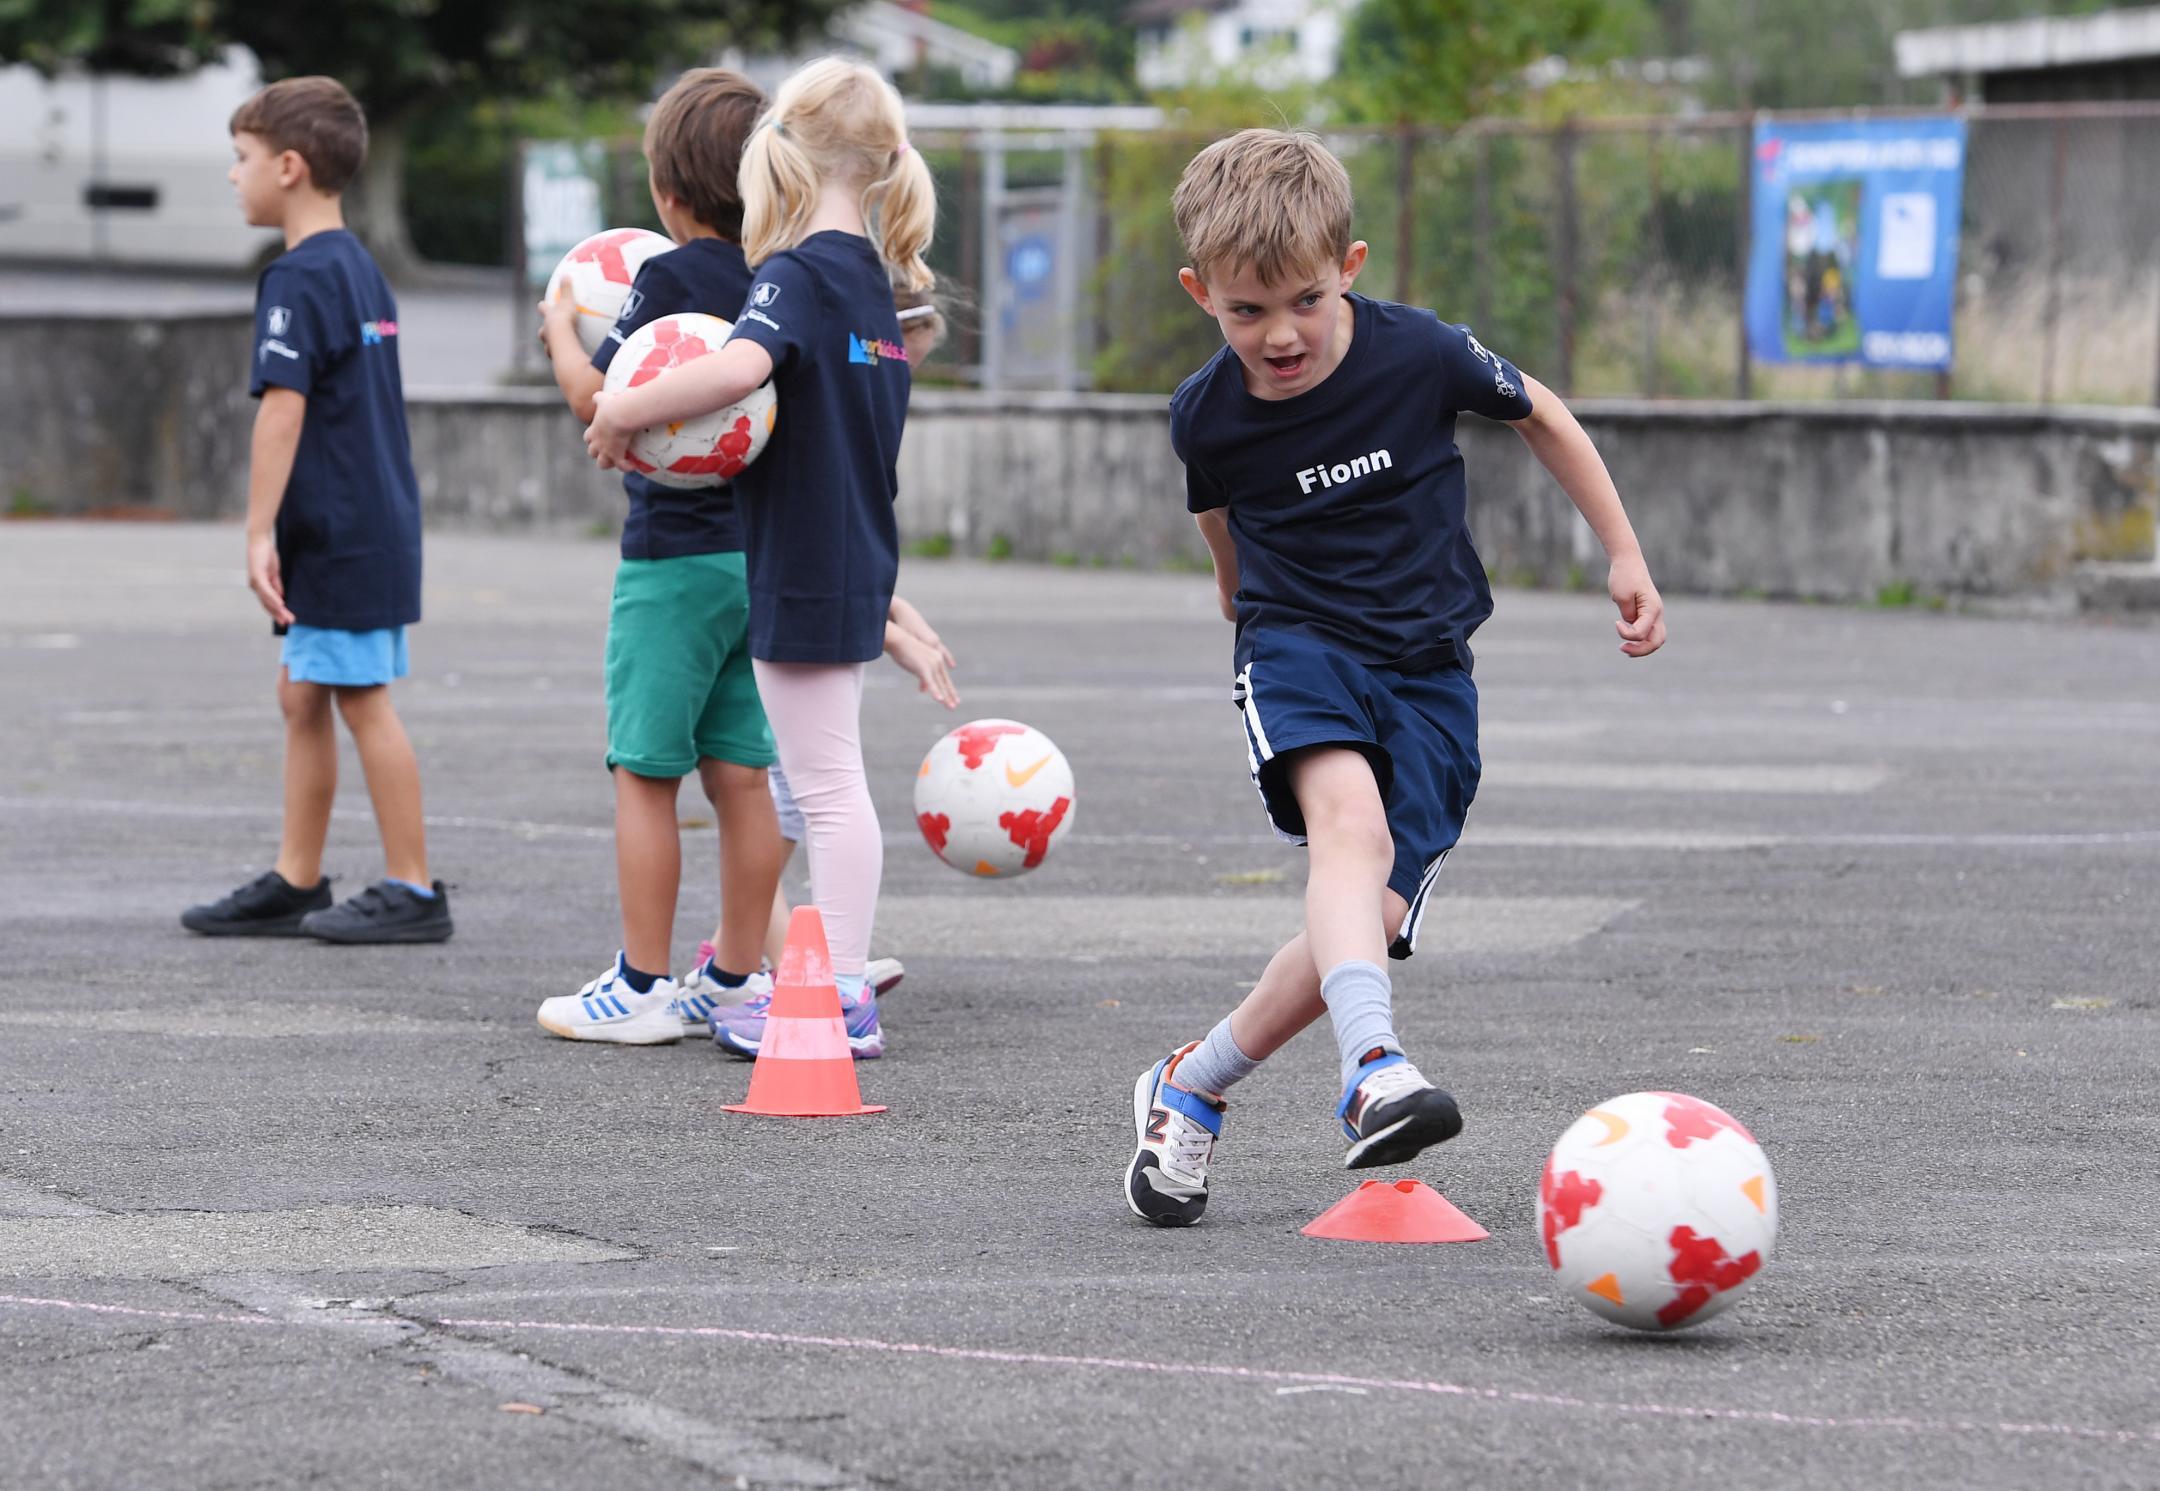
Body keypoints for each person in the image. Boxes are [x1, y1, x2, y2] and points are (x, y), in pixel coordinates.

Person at [1124, 129, 1667, 1227]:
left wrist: (1622, 550)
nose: (1279, 335)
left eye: (1306, 302)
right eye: (1245, 312)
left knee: (1361, 913)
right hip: (1297, 648)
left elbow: (1545, 416)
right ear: (1200, 293)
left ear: (1352, 267)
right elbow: (1217, 514)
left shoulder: (1420, 354)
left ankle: (1191, 1084)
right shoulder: (1206, 412)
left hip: (1427, 673)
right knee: (1349, 839)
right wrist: (1237, 595)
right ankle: (1374, 1066)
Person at [585, 57, 935, 1061]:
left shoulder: (796, 274)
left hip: (799, 563)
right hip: (847, 552)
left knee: (823, 790)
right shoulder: (868, 280)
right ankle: (796, 973)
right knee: (804, 788)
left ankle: (839, 996)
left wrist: (623, 407)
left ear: (775, 157)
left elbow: (737, 368)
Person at [530, 69, 789, 1045]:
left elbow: (597, 402)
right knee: (743, 775)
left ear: (667, 194)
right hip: (755, 563)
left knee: (645, 771)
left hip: (671, 566)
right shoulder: (780, 279)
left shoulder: (670, 276)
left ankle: (639, 983)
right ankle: (732, 973)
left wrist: (561, 328)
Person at [181, 76, 452, 945]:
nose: (233, 175)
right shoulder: (358, 266)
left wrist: (257, 530)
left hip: (337, 531)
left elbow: (283, 410)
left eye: (243, 158)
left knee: (360, 697)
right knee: (303, 693)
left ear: (289, 167)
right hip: (362, 522)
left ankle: (413, 888)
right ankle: (298, 876)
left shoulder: (295, 279)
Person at [684, 283, 958, 1031]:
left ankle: (783, 968)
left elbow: (846, 536)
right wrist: (891, 626)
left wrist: (892, 615)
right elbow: (828, 538)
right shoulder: (801, 333)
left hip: (794, 592)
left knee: (789, 793)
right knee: (794, 791)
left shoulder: (822, 351)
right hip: (772, 590)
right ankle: (789, 971)